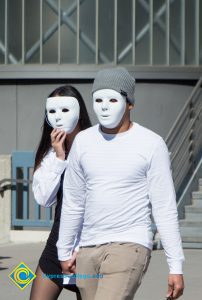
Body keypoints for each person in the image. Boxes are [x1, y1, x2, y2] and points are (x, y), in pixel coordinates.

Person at [56, 68, 185, 300]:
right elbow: (73, 201)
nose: (104, 106)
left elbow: (164, 207)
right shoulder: (83, 142)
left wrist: (176, 266)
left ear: (129, 104)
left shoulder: (151, 144)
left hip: (130, 244)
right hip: (88, 247)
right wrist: (64, 251)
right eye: (98, 100)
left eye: (113, 99)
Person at [30, 85, 91, 300]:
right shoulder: (50, 153)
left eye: (65, 110)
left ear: (79, 112)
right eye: (52, 111)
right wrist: (59, 158)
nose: (58, 117)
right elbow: (43, 199)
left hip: (91, 245)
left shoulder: (96, 147)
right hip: (58, 243)